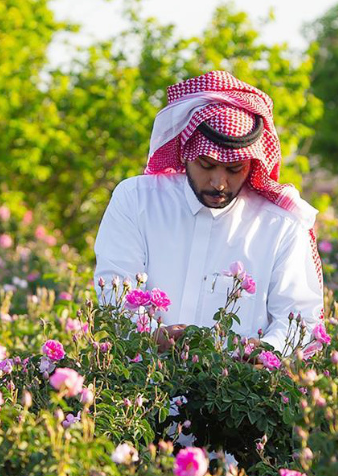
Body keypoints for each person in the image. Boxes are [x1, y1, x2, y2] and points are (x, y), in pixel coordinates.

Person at [93, 70, 325, 357]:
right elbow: (114, 291)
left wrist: (266, 350)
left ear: (252, 164)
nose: (219, 183)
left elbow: (300, 318)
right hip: (143, 389)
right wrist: (150, 334)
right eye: (206, 165)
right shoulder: (136, 199)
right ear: (186, 152)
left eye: (233, 169)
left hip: (238, 395)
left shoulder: (281, 226)